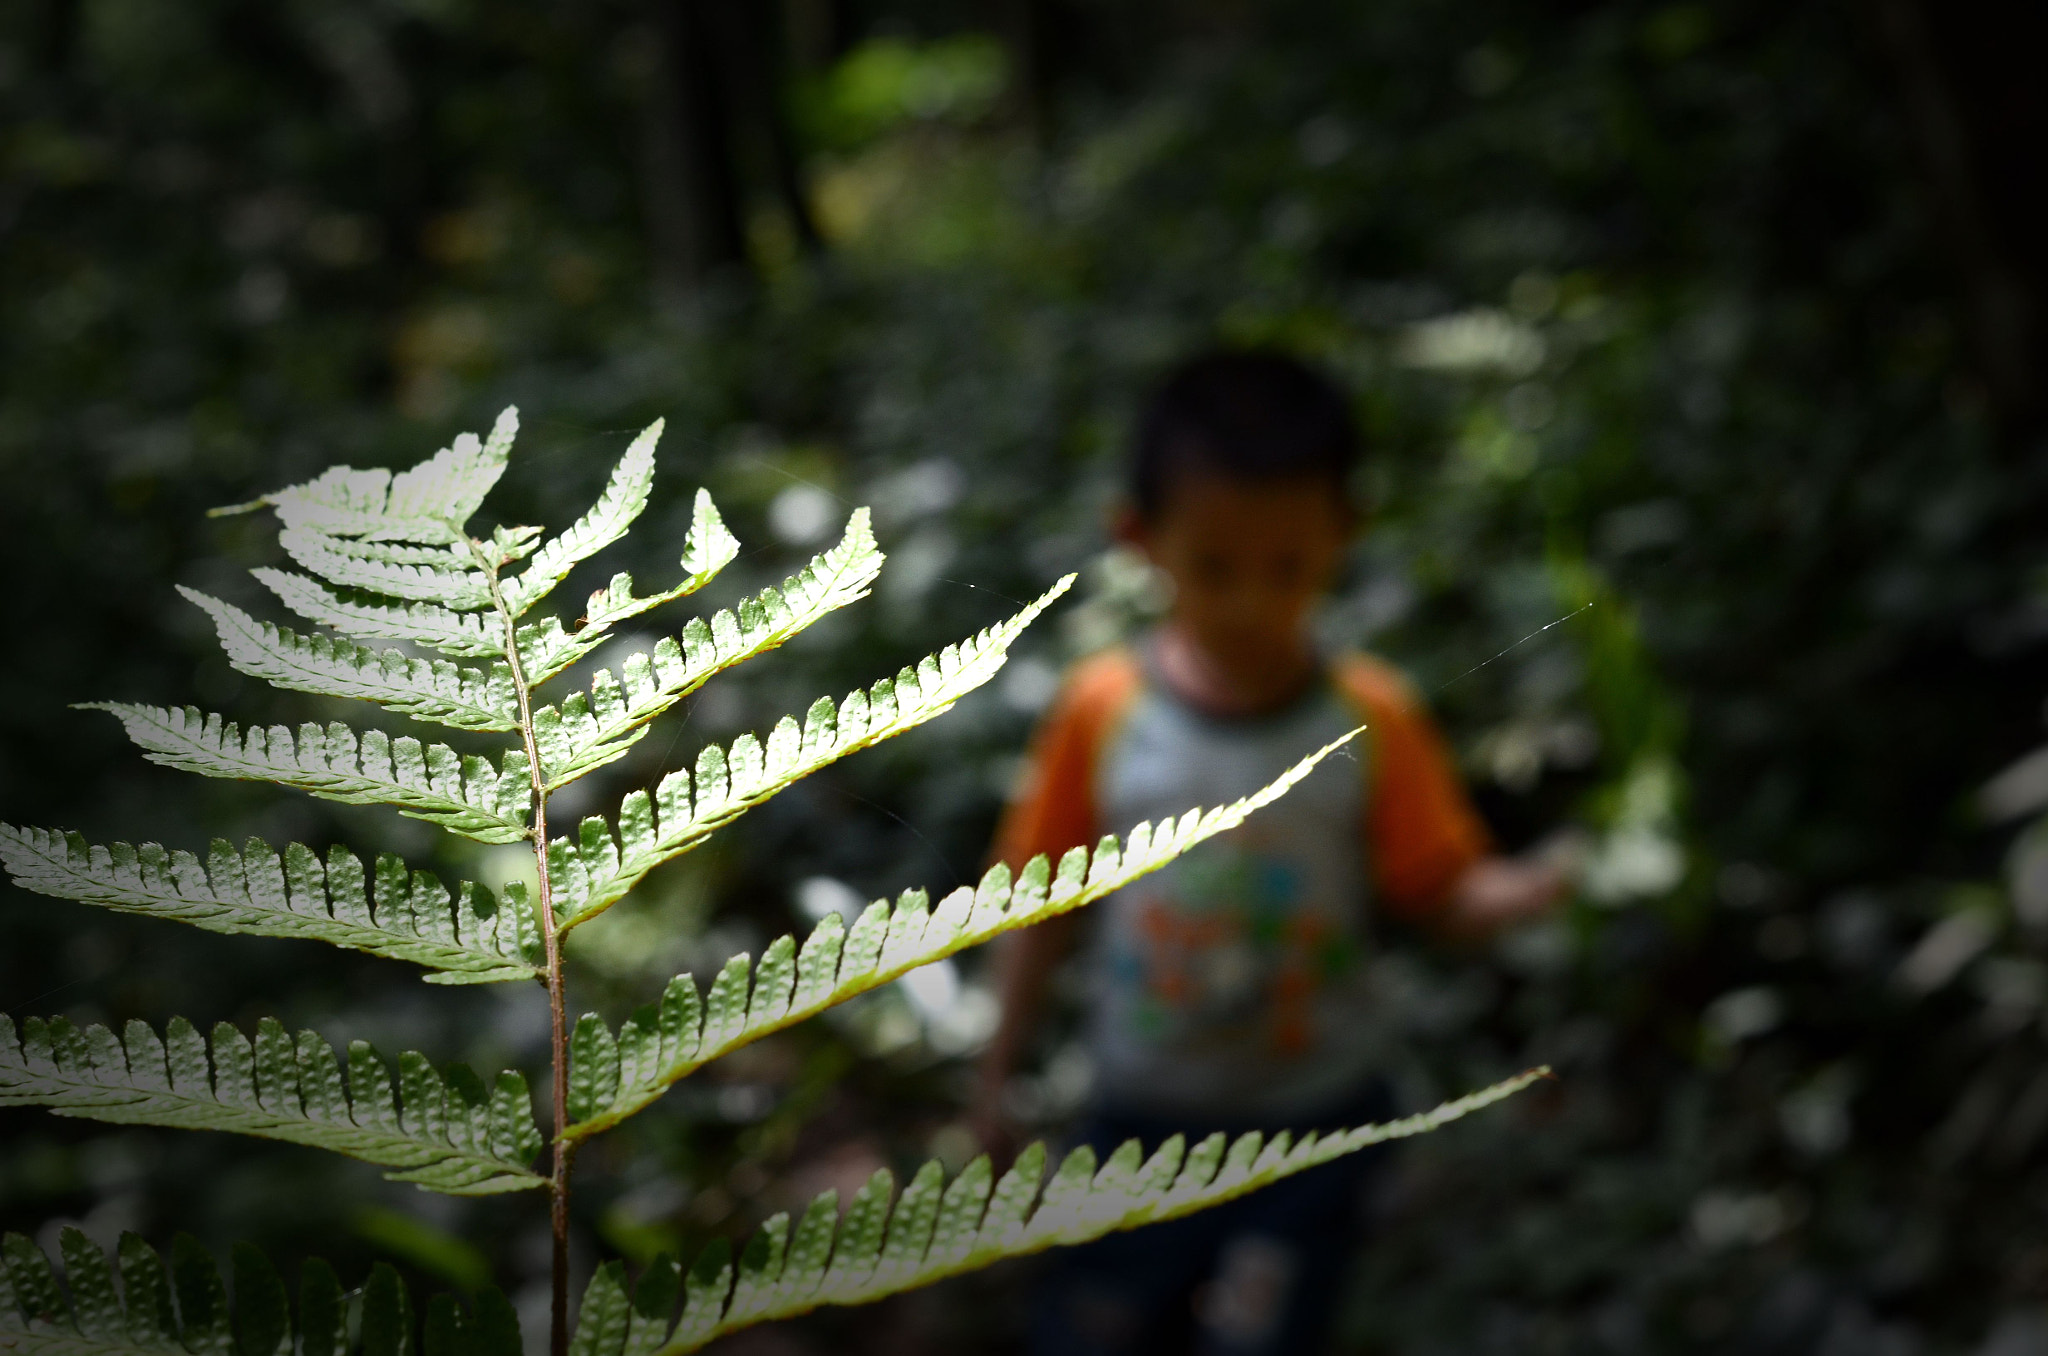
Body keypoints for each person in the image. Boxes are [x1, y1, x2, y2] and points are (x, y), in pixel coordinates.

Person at [970, 349, 1566, 1356]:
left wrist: (1555, 882)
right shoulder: (1099, 713)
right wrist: (994, 1075)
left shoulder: (1370, 717)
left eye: (1285, 567)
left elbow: (1442, 890)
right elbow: (1037, 903)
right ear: (1138, 540)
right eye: (1213, 567)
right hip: (1134, 1124)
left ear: (1343, 535)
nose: (1249, 603)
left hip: (1311, 1137)